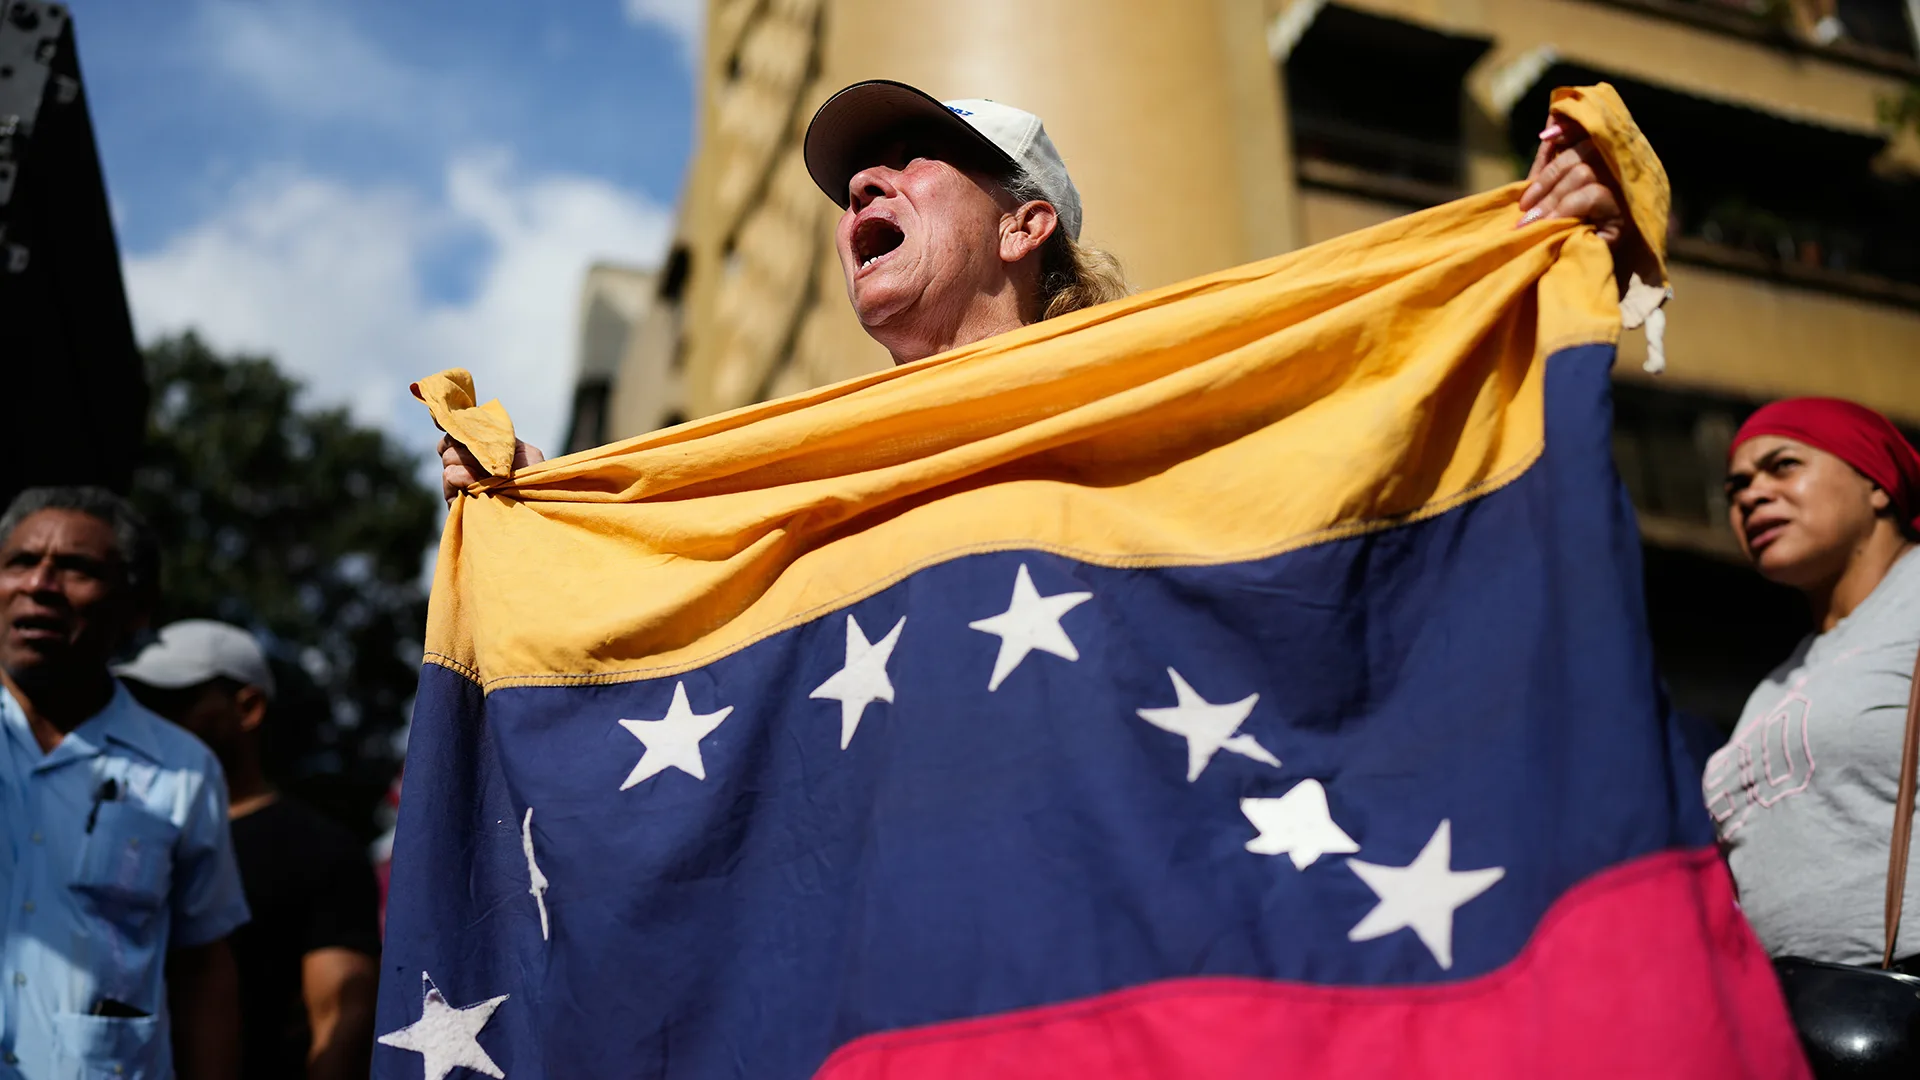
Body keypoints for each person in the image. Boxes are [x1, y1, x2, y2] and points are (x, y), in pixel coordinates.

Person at [439, 80, 1627, 494]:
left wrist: (1526, 253)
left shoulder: (1167, 391)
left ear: (1027, 224)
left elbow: (1377, 414)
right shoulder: (809, 459)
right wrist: (562, 515)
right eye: (852, 182)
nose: (862, 187)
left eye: (910, 162)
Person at [0, 487, 249, 1080]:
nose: (40, 585)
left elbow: (203, 967)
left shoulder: (184, 769)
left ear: (135, 608)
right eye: (20, 562)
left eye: (77, 569)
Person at [1706, 397, 1920, 966]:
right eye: (1736, 488)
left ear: (1876, 484)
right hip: (1791, 1025)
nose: (1750, 495)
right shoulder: (1777, 684)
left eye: (1783, 465)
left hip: (1901, 1007)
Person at [119, 621, 381, 1080]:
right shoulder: (122, 834)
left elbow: (341, 1022)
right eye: (140, 702)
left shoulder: (319, 850)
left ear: (248, 707)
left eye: (173, 702)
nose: (148, 720)